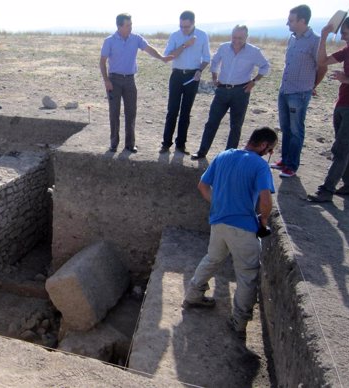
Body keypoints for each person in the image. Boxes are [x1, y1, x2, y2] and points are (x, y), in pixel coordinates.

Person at [183, 127, 277, 340]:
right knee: (246, 274)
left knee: (213, 258)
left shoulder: (223, 155)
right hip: (244, 227)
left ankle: (193, 294)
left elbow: (202, 186)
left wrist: (218, 204)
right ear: (263, 146)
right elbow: (265, 200)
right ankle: (239, 320)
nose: (268, 153)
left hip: (219, 222)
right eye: (270, 150)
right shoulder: (260, 166)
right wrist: (262, 220)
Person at [307, 16, 349, 202]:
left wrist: (348, 80)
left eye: (345, 33)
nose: (343, 37)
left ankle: (326, 190)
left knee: (341, 148)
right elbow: (323, 62)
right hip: (342, 103)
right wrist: (324, 37)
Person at [190, 25, 270, 160]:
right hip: (222, 90)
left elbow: (265, 66)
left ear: (246, 37)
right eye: (234, 37)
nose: (236, 40)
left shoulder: (254, 51)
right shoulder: (224, 47)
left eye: (240, 38)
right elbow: (214, 61)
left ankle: (229, 156)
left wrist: (254, 81)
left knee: (236, 125)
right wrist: (214, 76)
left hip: (241, 91)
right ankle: (202, 151)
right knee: (212, 122)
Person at [100, 13, 171, 153]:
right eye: (128, 25)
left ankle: (130, 144)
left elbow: (149, 49)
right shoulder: (109, 41)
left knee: (131, 112)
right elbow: (102, 62)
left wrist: (162, 58)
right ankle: (113, 143)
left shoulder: (136, 38)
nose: (131, 27)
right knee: (114, 113)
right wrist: (106, 80)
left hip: (130, 80)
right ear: (119, 26)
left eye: (131, 24)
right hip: (114, 80)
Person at [271, 4, 327, 178]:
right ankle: (285, 160)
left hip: (300, 93)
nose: (288, 24)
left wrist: (312, 86)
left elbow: (322, 67)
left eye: (291, 20)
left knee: (296, 130)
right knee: (285, 128)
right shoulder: (292, 38)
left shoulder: (315, 41)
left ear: (302, 21)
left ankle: (292, 166)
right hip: (285, 90)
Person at [160, 11, 211, 154]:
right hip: (176, 75)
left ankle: (181, 145)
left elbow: (206, 58)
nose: (184, 29)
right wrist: (184, 45)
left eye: (187, 27)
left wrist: (200, 70)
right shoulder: (175, 36)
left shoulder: (202, 36)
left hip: (192, 77)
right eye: (181, 26)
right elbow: (167, 57)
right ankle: (166, 143)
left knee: (185, 112)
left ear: (193, 23)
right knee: (172, 111)